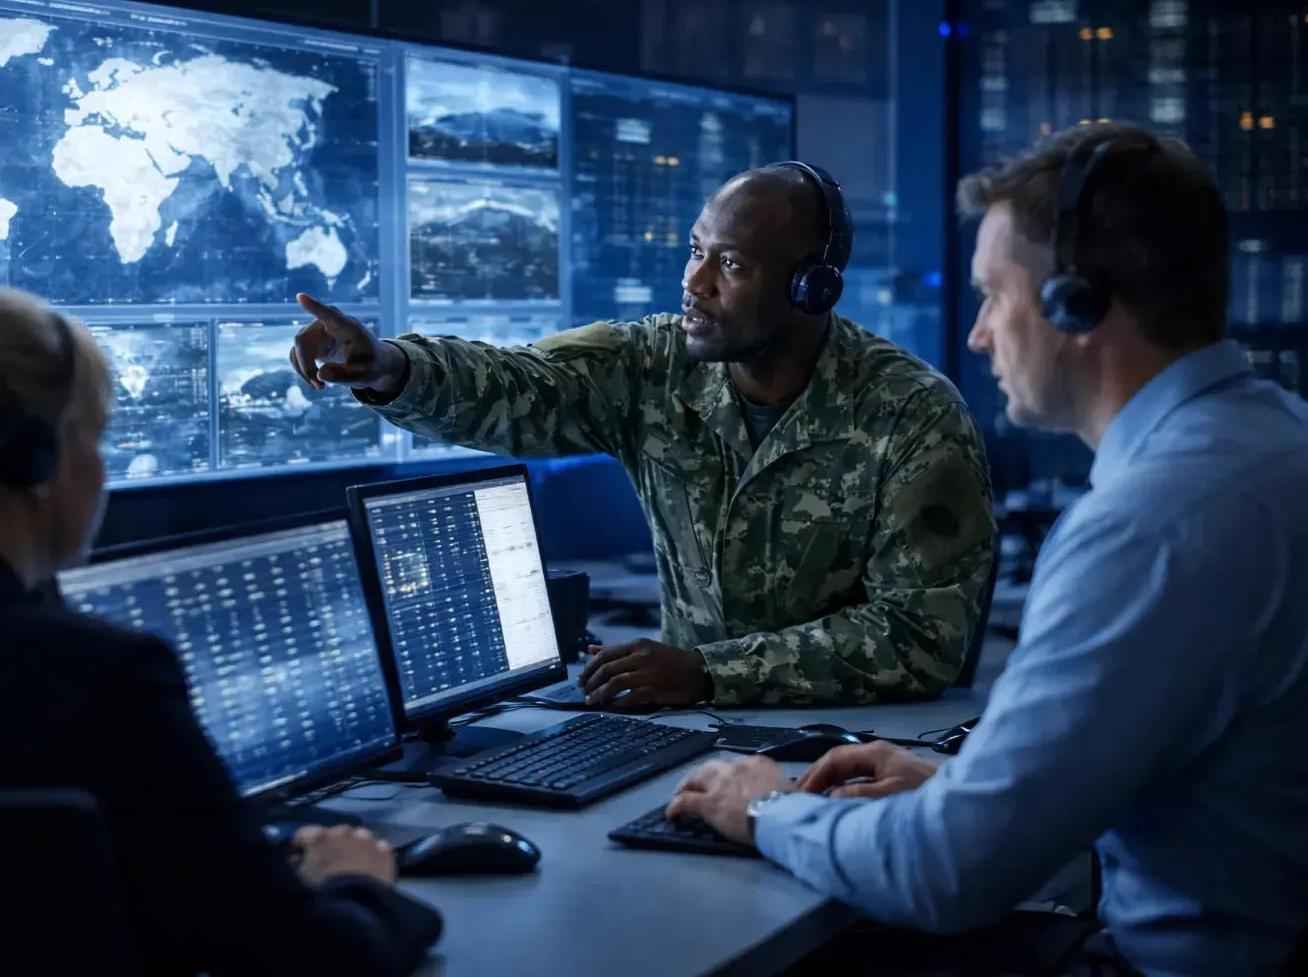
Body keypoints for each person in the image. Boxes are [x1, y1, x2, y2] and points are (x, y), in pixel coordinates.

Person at [665, 122, 1308, 977]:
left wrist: (770, 808)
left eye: (992, 296)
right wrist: (966, 795)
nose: (978, 336)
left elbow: (948, 875)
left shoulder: (1150, 527)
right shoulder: (1273, 442)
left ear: (1076, 303)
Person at [0, 286, 442, 976]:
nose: (102, 467)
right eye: (95, 436)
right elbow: (314, 960)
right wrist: (354, 880)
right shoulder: (95, 680)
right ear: (32, 461)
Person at [291, 162, 995, 709]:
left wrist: (708, 672)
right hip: (691, 735)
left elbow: (920, 638)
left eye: (730, 265)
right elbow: (518, 382)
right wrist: (390, 365)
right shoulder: (654, 365)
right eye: (695, 250)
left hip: (849, 746)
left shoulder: (911, 414)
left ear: (812, 289)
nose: (692, 282)